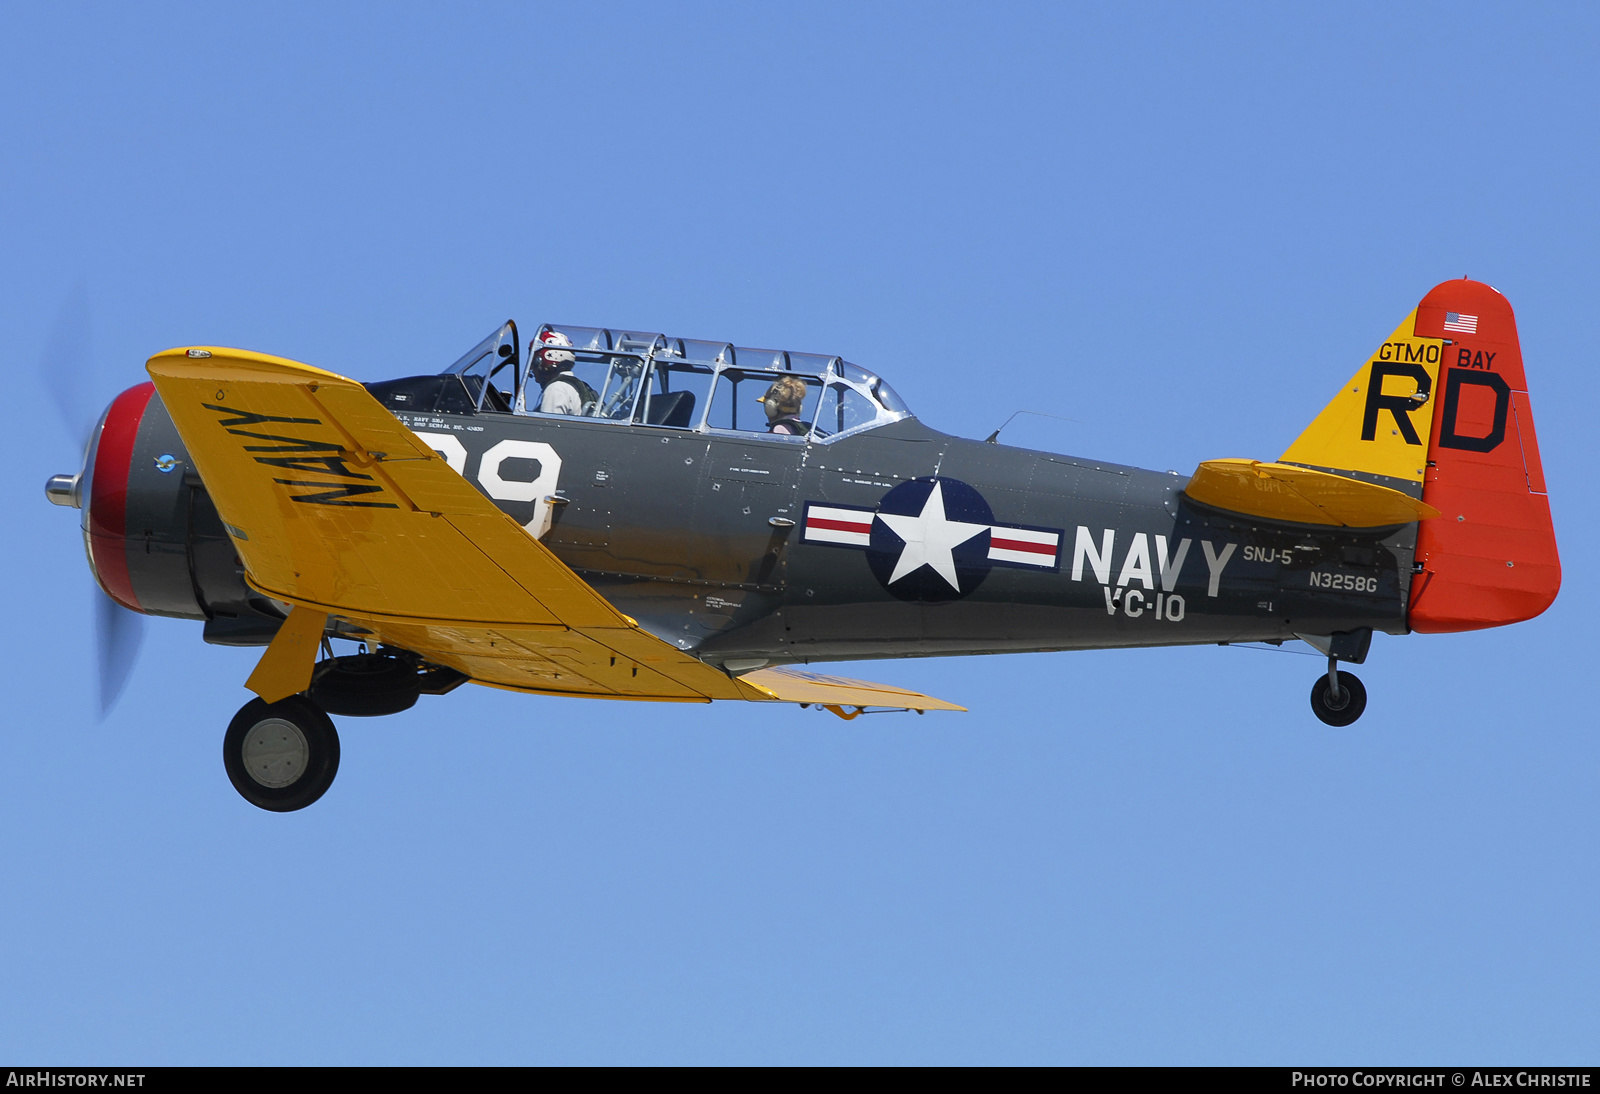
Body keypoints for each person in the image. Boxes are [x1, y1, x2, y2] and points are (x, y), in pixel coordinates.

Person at [531, 330, 598, 415]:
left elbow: (547, 426)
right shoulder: (578, 387)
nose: (532, 369)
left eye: (534, 363)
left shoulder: (556, 389)